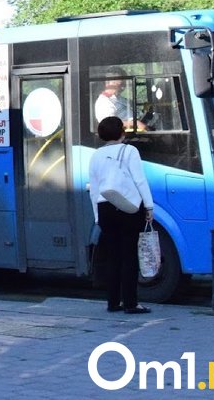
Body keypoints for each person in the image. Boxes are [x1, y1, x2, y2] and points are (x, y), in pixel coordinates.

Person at [89, 116, 154, 314]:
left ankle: (112, 302)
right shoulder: (130, 151)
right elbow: (140, 180)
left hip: (104, 208)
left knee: (113, 255)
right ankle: (131, 303)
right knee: (129, 255)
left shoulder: (96, 155)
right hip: (127, 206)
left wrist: (97, 216)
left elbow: (94, 188)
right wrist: (148, 206)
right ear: (121, 133)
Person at [95, 67, 145, 131]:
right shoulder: (104, 103)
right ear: (110, 83)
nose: (123, 86)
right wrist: (135, 123)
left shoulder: (118, 98)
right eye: (121, 83)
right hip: (127, 135)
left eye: (124, 83)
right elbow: (109, 124)